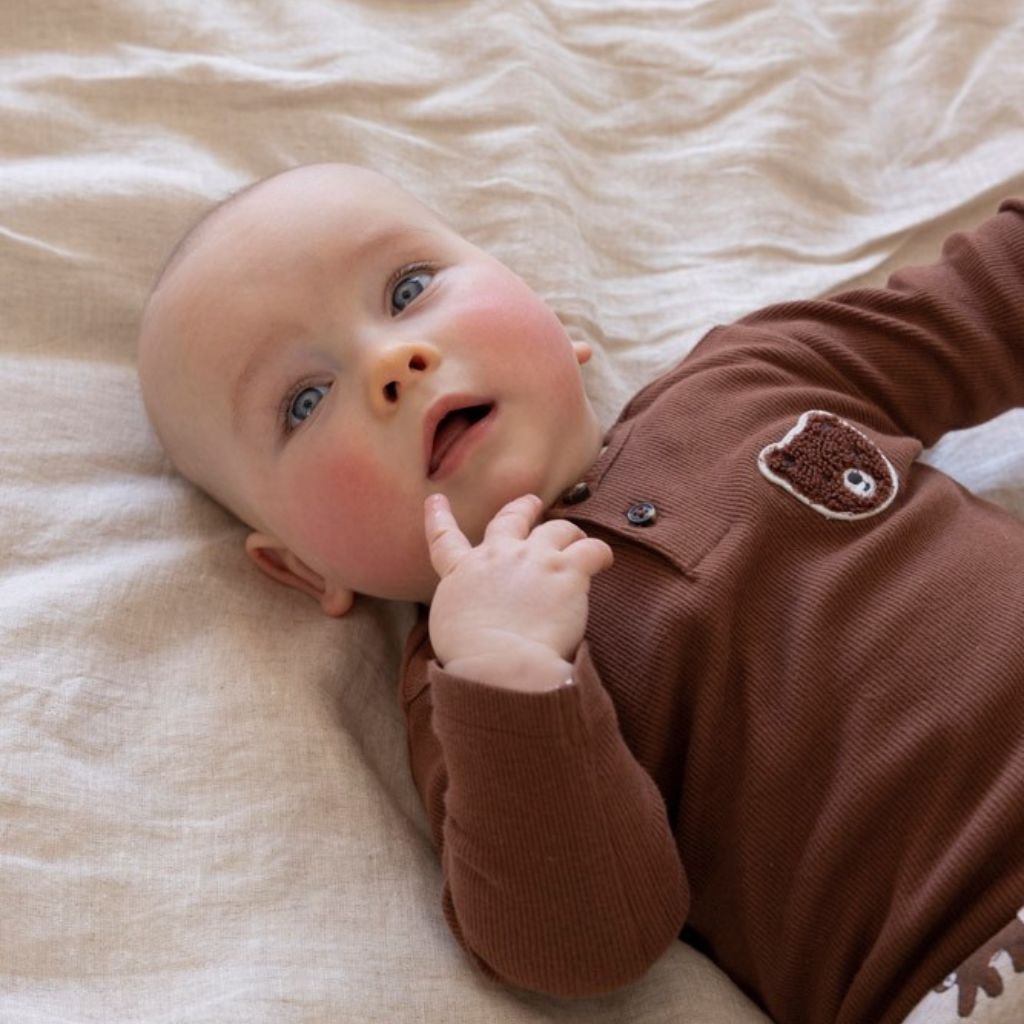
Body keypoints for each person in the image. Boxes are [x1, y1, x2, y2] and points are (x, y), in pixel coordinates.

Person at [136, 162, 1024, 1024]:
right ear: (301, 567)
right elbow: (588, 948)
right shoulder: (467, 689)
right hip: (971, 958)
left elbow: (983, 304)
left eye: (407, 289)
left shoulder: (747, 376)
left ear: (553, 319)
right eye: (303, 401)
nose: (392, 362)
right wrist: (516, 673)